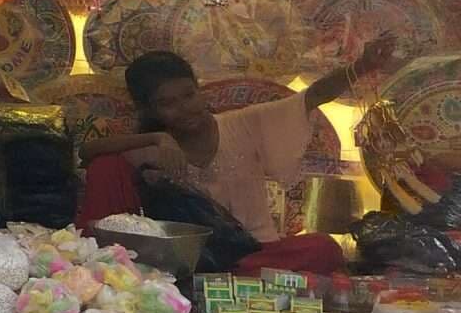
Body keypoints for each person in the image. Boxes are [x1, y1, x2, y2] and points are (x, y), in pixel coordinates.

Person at [80, 38, 395, 272]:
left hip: (257, 255)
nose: (185, 107)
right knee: (107, 167)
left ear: (199, 90)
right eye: (168, 103)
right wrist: (156, 137)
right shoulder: (151, 148)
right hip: (194, 262)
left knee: (322, 248)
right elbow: (86, 153)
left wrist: (360, 67)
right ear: (150, 110)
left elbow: (312, 97)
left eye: (189, 95)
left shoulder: (242, 124)